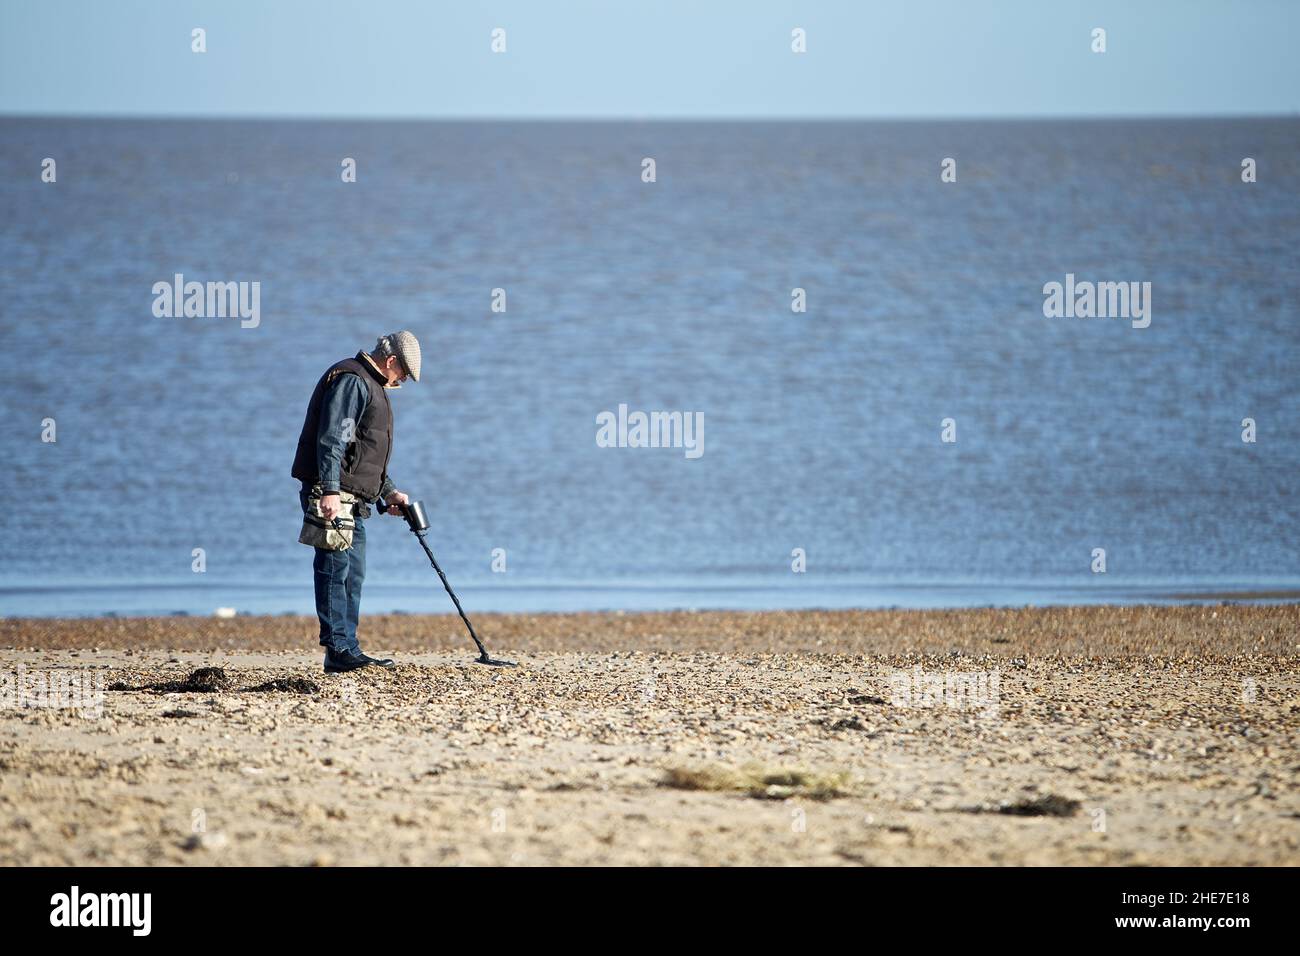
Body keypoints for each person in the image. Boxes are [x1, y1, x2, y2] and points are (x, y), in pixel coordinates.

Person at [291, 331, 421, 673]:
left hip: (353, 496)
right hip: (335, 494)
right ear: (392, 361)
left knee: (353, 573)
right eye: (404, 373)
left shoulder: (372, 384)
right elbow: (333, 438)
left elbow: (361, 451)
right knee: (336, 569)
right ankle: (339, 649)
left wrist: (387, 490)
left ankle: (347, 647)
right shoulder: (352, 381)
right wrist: (330, 491)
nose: (403, 380)